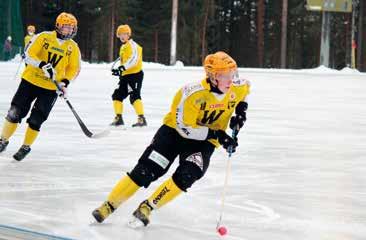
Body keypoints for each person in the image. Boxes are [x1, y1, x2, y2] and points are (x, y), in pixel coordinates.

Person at [92, 51, 250, 227]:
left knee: (189, 174)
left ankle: (147, 207)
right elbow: (186, 129)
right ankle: (109, 205)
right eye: (224, 76)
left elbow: (245, 91)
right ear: (213, 77)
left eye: (232, 74)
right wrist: (219, 135)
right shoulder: (191, 94)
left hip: (204, 142)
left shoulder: (236, 85)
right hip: (174, 134)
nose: (231, 80)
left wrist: (241, 112)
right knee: (146, 171)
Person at [0, 12, 80, 161]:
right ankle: (3, 140)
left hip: (50, 89)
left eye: (71, 28)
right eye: (66, 27)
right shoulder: (43, 37)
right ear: (58, 26)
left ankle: (26, 146)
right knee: (15, 112)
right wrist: (42, 64)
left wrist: (64, 83)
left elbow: (74, 68)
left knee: (37, 119)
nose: (69, 30)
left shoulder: (73, 47)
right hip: (30, 81)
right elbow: (28, 54)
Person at [110, 24, 147, 127]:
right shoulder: (123, 47)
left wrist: (122, 68)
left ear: (128, 34)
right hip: (125, 76)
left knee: (134, 96)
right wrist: (119, 71)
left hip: (135, 75)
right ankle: (118, 118)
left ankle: (141, 119)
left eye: (124, 34)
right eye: (120, 34)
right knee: (117, 95)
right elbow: (125, 62)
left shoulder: (134, 46)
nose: (122, 36)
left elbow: (133, 60)